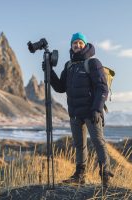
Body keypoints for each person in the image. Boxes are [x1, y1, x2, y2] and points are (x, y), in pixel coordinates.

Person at [47, 32, 113, 187]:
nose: (77, 45)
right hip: (75, 113)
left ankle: (105, 175)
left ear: (85, 44)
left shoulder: (93, 63)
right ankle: (80, 175)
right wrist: (49, 72)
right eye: (74, 43)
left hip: (92, 112)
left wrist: (97, 109)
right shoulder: (69, 66)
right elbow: (60, 87)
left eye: (80, 43)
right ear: (71, 46)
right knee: (79, 145)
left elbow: (102, 88)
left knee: (98, 142)